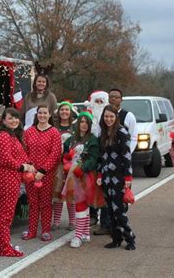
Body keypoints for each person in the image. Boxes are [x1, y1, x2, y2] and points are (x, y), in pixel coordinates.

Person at [0, 107, 36, 257]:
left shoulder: (13, 136)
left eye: (16, 118)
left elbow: (21, 155)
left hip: (13, 177)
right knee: (6, 215)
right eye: (10, 118)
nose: (14, 121)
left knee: (3, 214)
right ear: (3, 120)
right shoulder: (4, 136)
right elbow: (5, 159)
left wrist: (29, 165)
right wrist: (23, 166)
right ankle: (4, 247)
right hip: (7, 177)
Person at [94, 88, 137, 236]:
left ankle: (129, 237)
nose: (108, 119)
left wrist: (128, 178)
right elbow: (101, 155)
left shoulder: (123, 129)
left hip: (119, 174)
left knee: (119, 208)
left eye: (111, 117)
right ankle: (114, 235)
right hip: (106, 175)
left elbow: (128, 152)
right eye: (106, 117)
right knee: (109, 207)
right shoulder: (104, 133)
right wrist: (100, 174)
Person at [21, 105, 61, 241]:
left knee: (45, 203)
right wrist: (29, 167)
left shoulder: (54, 132)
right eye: (40, 113)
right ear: (36, 115)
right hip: (30, 174)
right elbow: (24, 151)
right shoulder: (29, 132)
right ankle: (31, 230)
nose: (42, 115)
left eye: (45, 113)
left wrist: (43, 171)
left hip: (47, 174)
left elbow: (55, 154)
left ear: (49, 115)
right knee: (32, 202)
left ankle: (45, 230)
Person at [61, 111, 99, 248]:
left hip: (85, 176)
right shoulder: (72, 139)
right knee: (81, 203)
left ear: (89, 124)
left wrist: (81, 169)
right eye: (81, 122)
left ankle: (78, 235)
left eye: (86, 122)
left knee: (81, 204)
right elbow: (65, 154)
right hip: (72, 176)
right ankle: (85, 233)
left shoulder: (93, 139)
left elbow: (94, 159)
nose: (83, 124)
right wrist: (67, 158)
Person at [85, 90, 109, 227]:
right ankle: (93, 215)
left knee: (104, 189)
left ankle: (105, 219)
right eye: (97, 101)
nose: (99, 104)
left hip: (106, 160)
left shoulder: (109, 118)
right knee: (91, 187)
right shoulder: (88, 119)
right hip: (92, 158)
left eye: (102, 101)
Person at [52, 101, 76, 231]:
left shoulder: (75, 127)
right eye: (62, 110)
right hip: (58, 164)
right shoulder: (54, 127)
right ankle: (56, 221)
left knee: (70, 191)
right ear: (58, 112)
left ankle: (72, 221)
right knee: (57, 190)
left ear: (70, 112)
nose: (64, 112)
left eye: (67, 110)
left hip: (71, 163)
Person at [20, 62, 58, 130]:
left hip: (45, 130)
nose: (41, 83)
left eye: (43, 82)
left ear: (46, 84)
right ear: (35, 83)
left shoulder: (51, 97)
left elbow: (55, 115)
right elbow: (22, 114)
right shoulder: (29, 96)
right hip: (29, 129)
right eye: (39, 81)